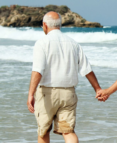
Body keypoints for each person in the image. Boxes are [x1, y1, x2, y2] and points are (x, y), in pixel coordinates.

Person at [26, 11, 101, 143]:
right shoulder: (73, 43)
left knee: (43, 132)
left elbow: (38, 70)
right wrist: (98, 89)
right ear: (60, 25)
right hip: (68, 93)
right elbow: (87, 69)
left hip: (47, 94)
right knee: (68, 131)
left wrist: (31, 93)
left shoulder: (42, 43)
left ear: (44, 25)